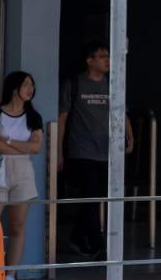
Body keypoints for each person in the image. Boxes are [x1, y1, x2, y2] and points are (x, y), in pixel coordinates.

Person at [57, 40, 134, 259]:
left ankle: (77, 238)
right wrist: (59, 151)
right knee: (90, 195)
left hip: (106, 151)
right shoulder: (75, 84)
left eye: (107, 56)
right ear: (89, 61)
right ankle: (97, 244)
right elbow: (62, 118)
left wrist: (130, 136)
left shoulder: (112, 85)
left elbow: (121, 114)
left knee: (95, 197)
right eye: (101, 56)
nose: (107, 60)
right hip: (81, 150)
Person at [0, 71, 44, 280]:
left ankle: (10, 275)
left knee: (18, 226)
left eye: (32, 85)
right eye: (26, 84)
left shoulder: (33, 116)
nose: (30, 89)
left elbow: (36, 147)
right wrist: (19, 145)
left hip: (23, 171)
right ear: (14, 87)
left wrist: (6, 140)